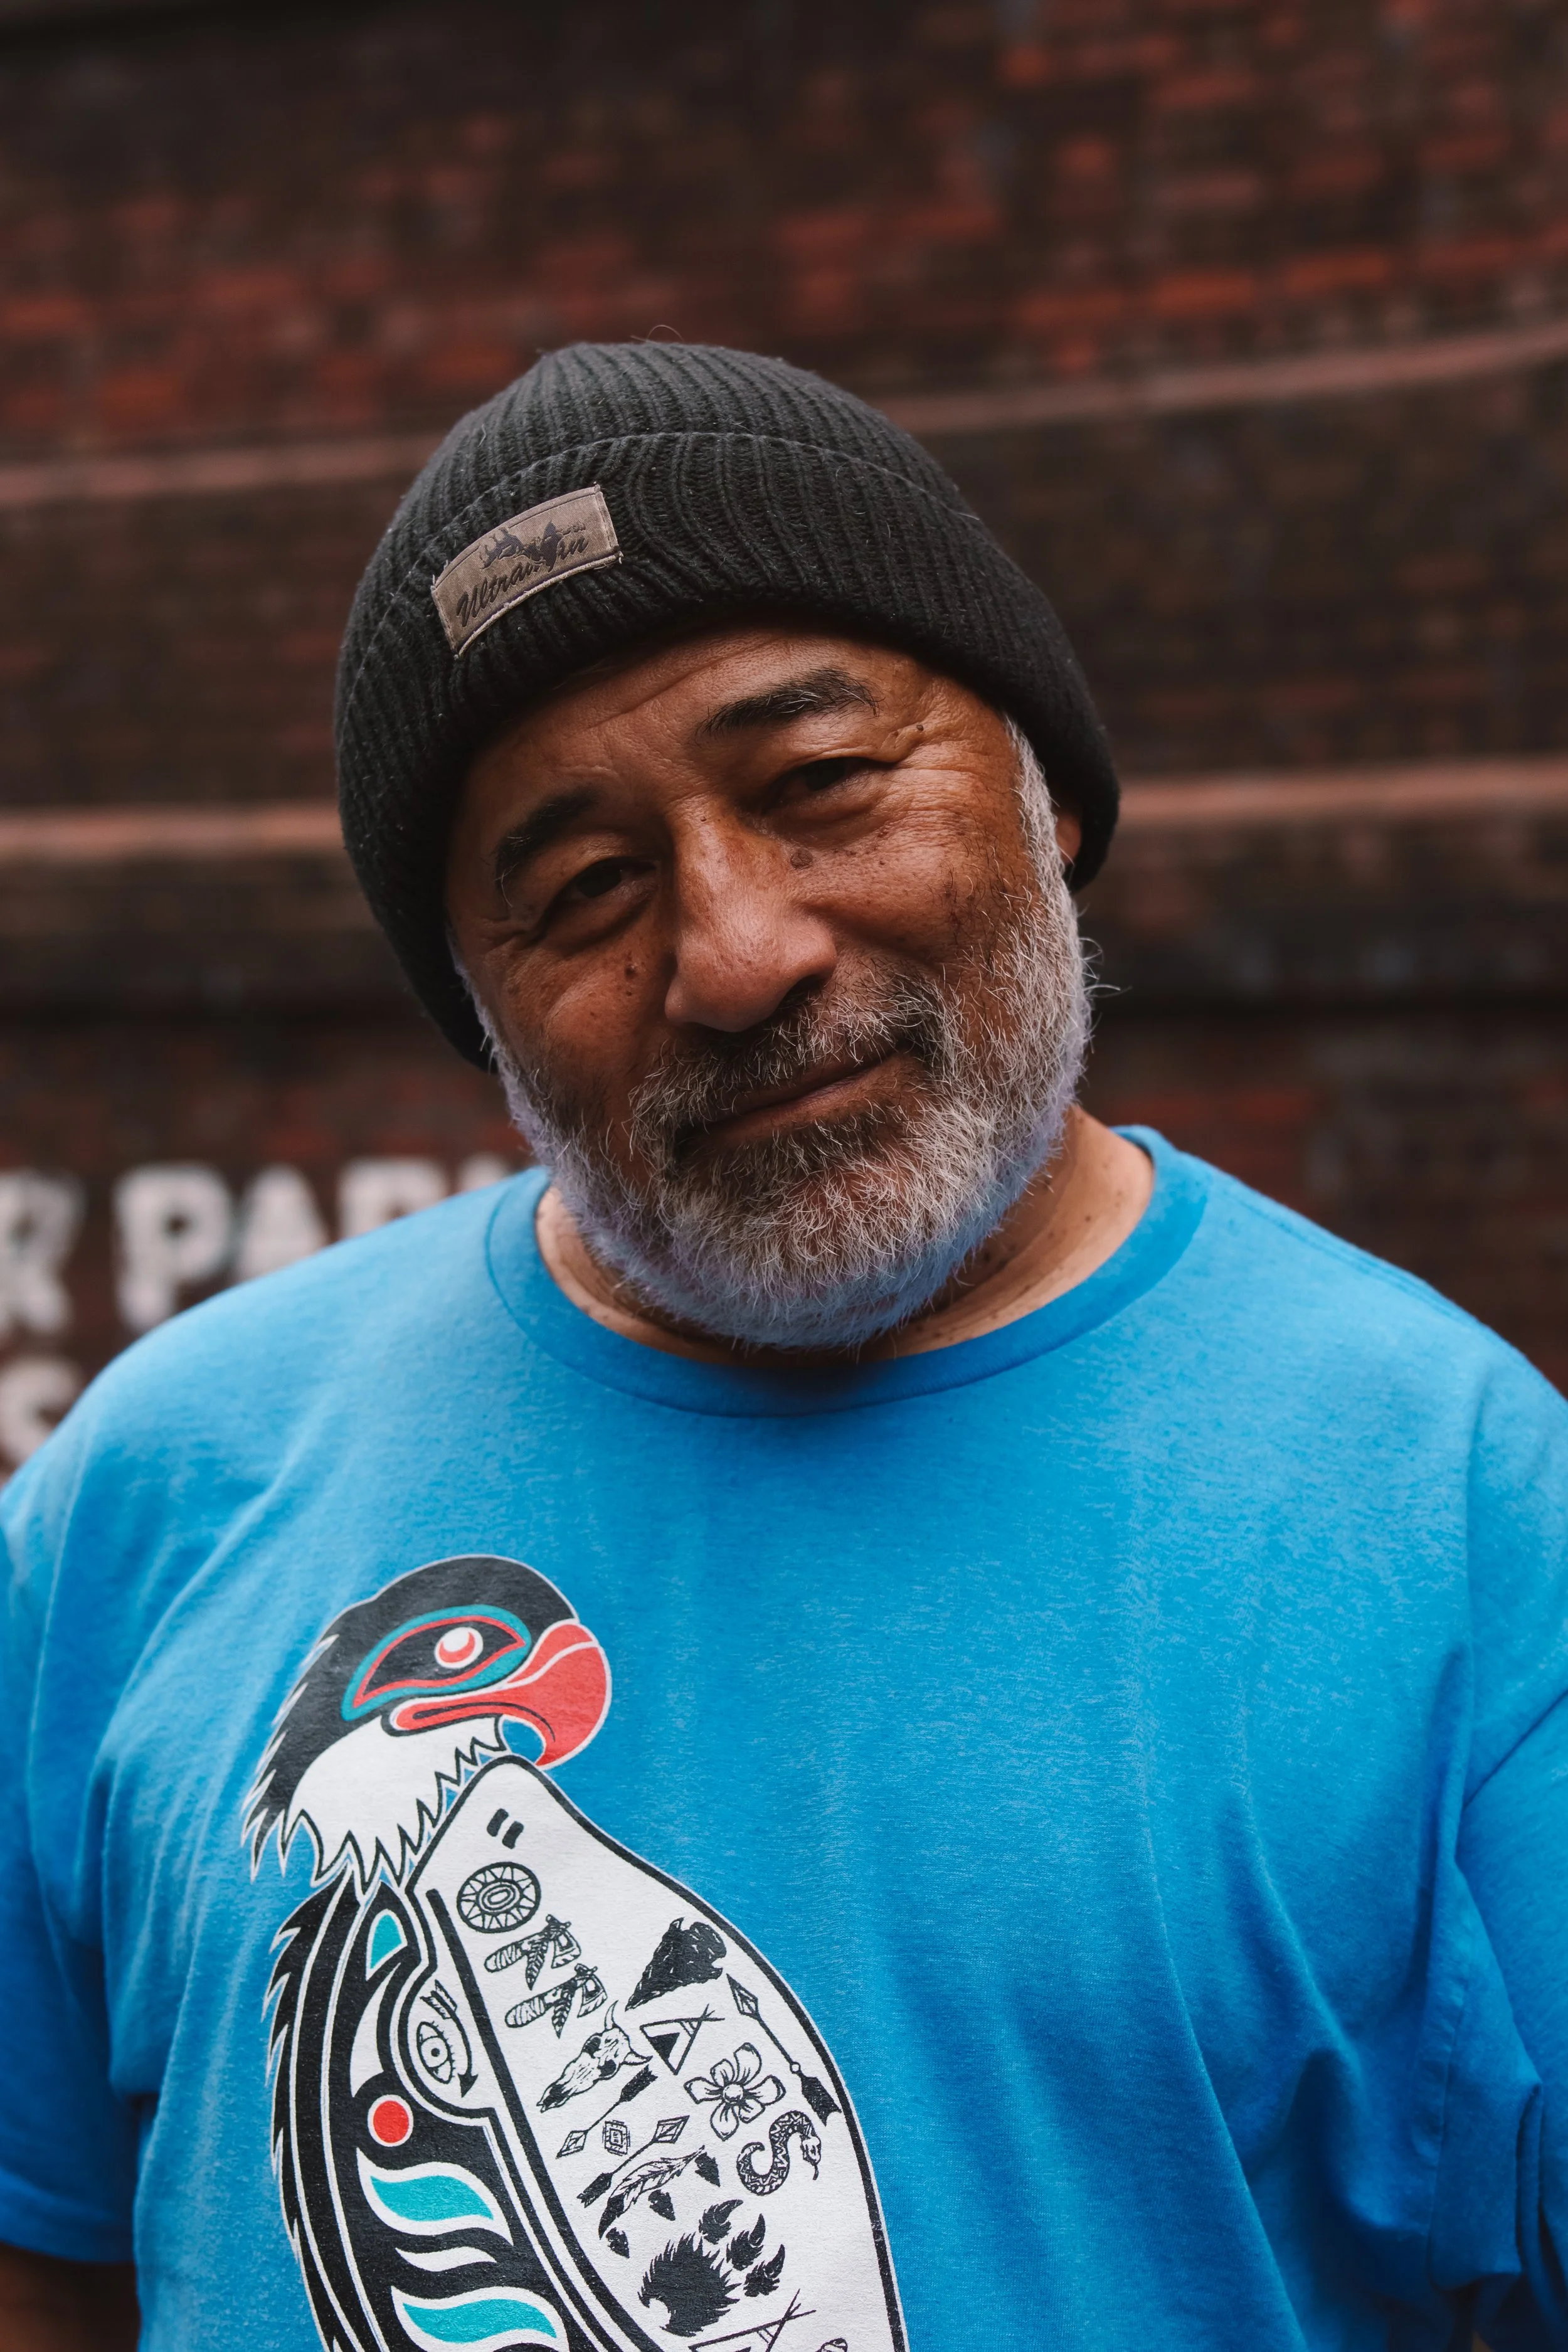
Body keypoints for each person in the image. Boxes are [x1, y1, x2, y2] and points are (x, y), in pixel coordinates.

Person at [1, 342, 1565, 2352]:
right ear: (481, 1016)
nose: (735, 953)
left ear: (1044, 796)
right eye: (583, 889)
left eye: (820, 784)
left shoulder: (1454, 1515)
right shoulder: (153, 1497)